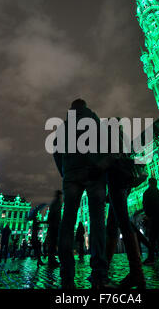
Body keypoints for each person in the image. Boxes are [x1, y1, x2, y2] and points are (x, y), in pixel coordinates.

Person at [54, 99, 108, 289]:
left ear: (71, 108)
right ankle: (99, 270)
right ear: (85, 106)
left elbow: (55, 149)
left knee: (67, 222)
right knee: (97, 221)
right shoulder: (94, 119)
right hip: (94, 172)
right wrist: (101, 166)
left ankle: (67, 270)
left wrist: (65, 171)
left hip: (71, 175)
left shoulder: (65, 125)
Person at [46, 190, 62, 267]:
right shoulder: (56, 203)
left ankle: (52, 258)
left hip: (54, 224)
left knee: (53, 242)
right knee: (53, 242)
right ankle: (51, 259)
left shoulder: (56, 202)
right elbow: (54, 213)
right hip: (54, 224)